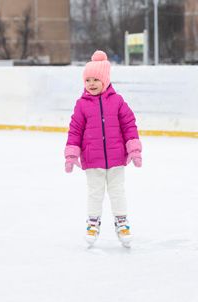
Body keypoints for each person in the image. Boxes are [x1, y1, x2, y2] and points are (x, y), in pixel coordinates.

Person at [64, 50, 142, 248]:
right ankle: (93, 223)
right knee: (95, 193)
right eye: (87, 80)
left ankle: (122, 223)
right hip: (92, 159)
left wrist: (134, 149)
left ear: (105, 80)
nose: (91, 83)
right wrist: (72, 154)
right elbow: (74, 130)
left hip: (116, 158)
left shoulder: (117, 101)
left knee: (117, 192)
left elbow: (129, 125)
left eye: (95, 79)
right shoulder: (81, 105)